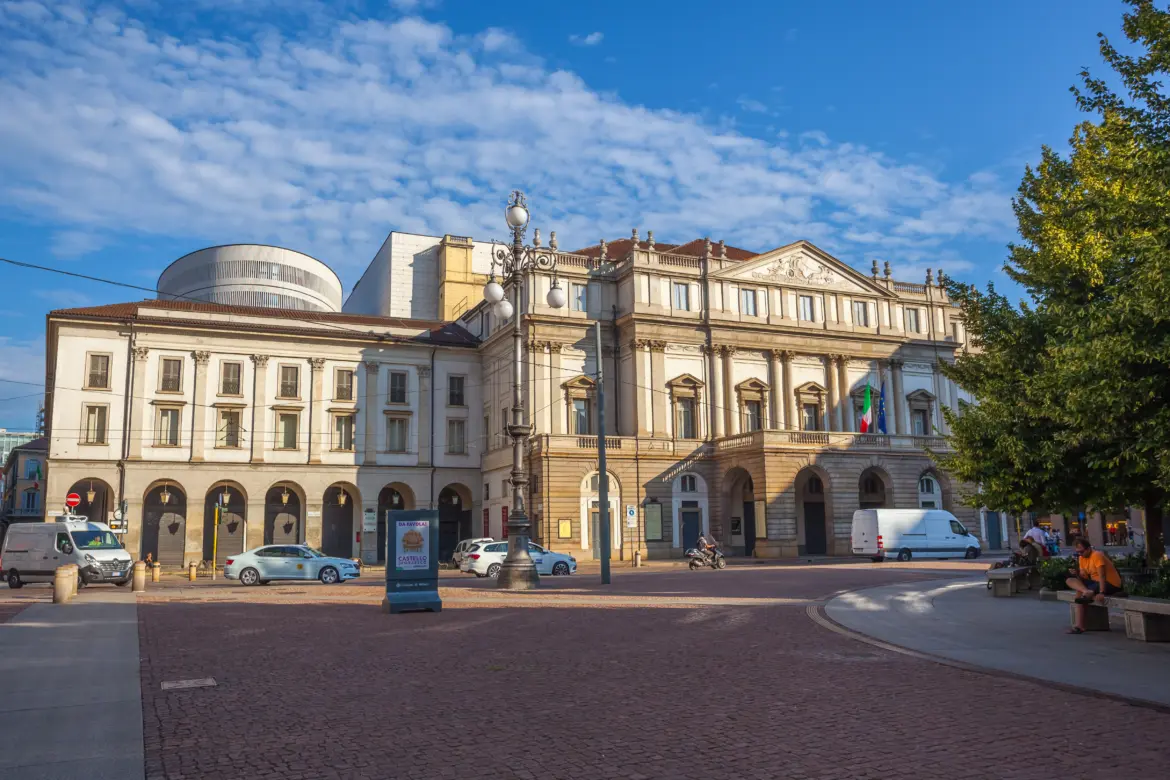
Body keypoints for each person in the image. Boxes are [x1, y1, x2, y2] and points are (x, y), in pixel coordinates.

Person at [1065, 536, 1124, 635]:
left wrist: (1102, 592)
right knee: (1070, 580)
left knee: (1080, 594)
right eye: (1077, 552)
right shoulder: (1081, 558)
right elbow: (1084, 578)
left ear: (1088, 549)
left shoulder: (1097, 555)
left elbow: (1102, 576)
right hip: (1094, 583)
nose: (1080, 554)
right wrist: (1077, 573)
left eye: (1082, 551)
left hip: (1110, 583)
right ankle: (1086, 592)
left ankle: (1080, 626)